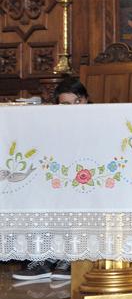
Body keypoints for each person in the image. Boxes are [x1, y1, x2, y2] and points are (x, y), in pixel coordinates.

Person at [9, 78, 88, 283]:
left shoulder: (99, 121)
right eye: (66, 105)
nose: (73, 109)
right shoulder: (50, 125)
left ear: (87, 100)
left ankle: (69, 259)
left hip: (86, 182)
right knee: (36, 192)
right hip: (57, 180)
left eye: (78, 102)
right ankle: (43, 257)